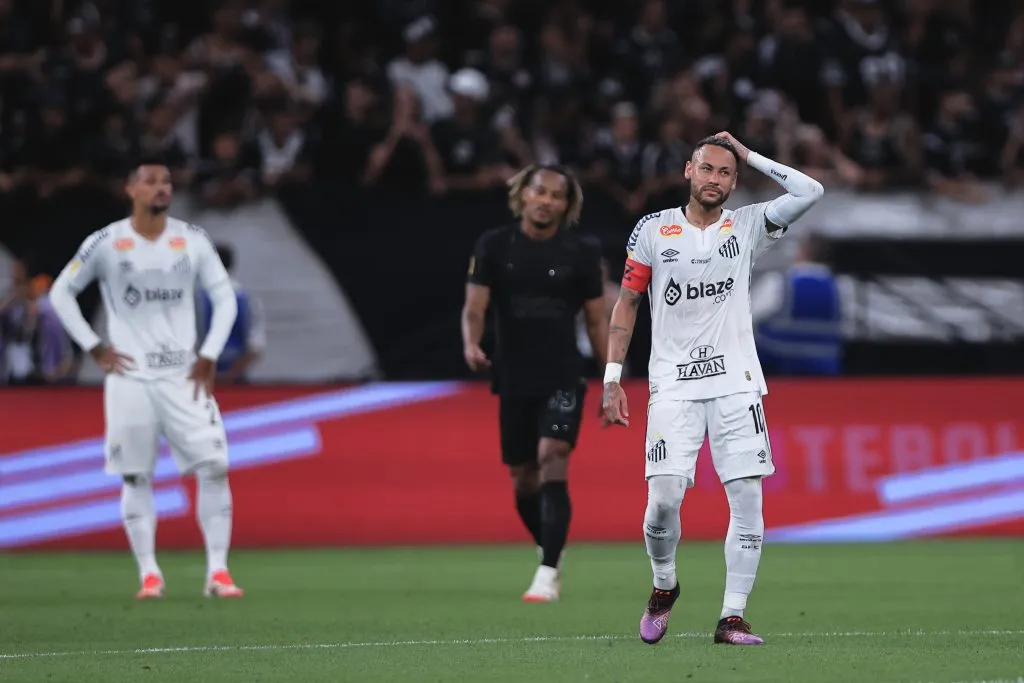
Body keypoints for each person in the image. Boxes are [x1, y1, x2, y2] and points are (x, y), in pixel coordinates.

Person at [602, 132, 824, 645]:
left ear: (734, 179)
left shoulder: (747, 226)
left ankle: (732, 616)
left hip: (737, 384)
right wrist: (613, 379)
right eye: (707, 169)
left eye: (726, 172)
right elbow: (628, 303)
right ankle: (664, 586)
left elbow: (810, 190)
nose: (715, 180)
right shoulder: (653, 230)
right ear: (688, 170)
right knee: (663, 500)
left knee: (747, 497)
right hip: (674, 387)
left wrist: (750, 154)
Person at [49, 158, 244, 600]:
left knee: (215, 466)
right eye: (151, 181)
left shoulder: (191, 240)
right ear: (130, 190)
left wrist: (209, 353)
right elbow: (61, 292)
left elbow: (224, 297)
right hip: (130, 378)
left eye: (167, 182)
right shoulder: (107, 243)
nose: (162, 188)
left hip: (183, 375)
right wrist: (94, 346)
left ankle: (218, 572)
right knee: (136, 476)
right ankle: (150, 574)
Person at [461, 163, 609, 602]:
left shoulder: (580, 251)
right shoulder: (494, 245)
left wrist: (611, 375)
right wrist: (471, 344)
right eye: (538, 192)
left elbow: (598, 320)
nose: (546, 201)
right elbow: (474, 307)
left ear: (567, 205)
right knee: (523, 481)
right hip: (513, 375)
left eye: (555, 196)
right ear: (523, 195)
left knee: (553, 455)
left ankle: (546, 573)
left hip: (563, 373)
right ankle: (552, 549)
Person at [751, 233, 842, 375]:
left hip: (780, 371)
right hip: (823, 372)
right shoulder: (839, 287)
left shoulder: (778, 283)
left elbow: (747, 318)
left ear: (803, 251)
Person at [198, 242, 266, 384]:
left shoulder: (195, 300)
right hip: (236, 382)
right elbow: (255, 349)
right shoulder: (250, 300)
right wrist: (230, 375)